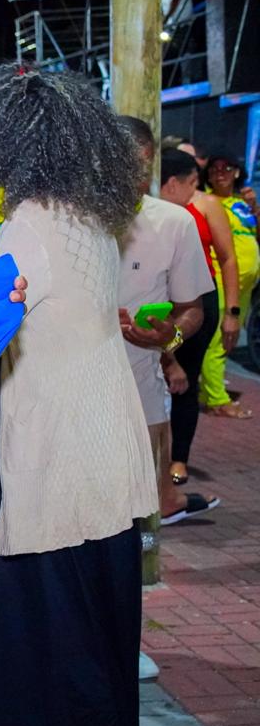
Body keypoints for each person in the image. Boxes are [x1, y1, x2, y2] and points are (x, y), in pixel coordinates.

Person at [0, 64, 156, 726]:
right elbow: (25, 299)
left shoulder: (30, 218)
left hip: (54, 451)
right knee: (96, 618)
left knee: (57, 627)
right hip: (99, 439)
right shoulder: (88, 215)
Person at [113, 120, 215, 530]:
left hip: (142, 390)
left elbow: (192, 309)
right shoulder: (70, 220)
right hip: (75, 391)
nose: (136, 179)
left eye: (143, 167)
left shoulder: (174, 222)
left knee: (143, 520)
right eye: (124, 166)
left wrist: (169, 337)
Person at [159, 150, 239, 486]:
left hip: (196, 303)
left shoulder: (206, 205)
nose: (196, 187)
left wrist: (232, 312)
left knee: (185, 378)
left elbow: (228, 258)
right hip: (158, 299)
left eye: (197, 181)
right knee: (156, 373)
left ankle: (179, 459)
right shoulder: (151, 206)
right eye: (192, 181)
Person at [200, 154, 258, 417]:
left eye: (226, 168)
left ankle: (208, 391)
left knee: (229, 339)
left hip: (246, 282)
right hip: (223, 279)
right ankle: (217, 400)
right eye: (214, 169)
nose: (220, 173)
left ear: (237, 172)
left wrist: (255, 208)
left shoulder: (240, 203)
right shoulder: (208, 201)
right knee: (218, 338)